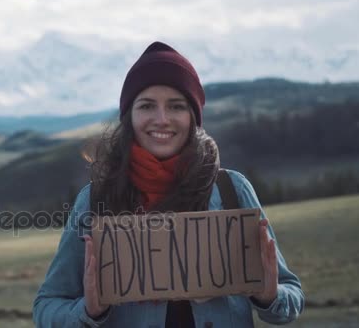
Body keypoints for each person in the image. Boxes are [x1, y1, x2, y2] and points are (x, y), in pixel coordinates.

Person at [33, 41, 304, 327]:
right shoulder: (95, 199)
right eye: (147, 105)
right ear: (130, 116)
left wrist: (268, 296)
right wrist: (89, 312)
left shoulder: (231, 189)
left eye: (176, 106)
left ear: (193, 117)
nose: (161, 120)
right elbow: (46, 307)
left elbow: (291, 296)